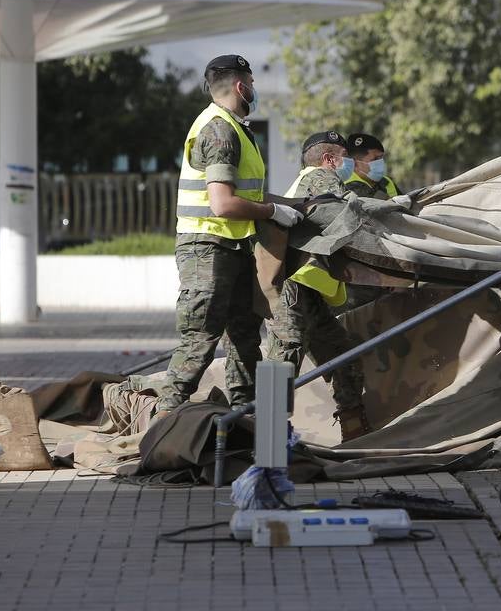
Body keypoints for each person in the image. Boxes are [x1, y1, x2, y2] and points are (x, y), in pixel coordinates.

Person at [157, 54, 303, 413]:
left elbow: (247, 195)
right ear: (241, 86)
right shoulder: (220, 130)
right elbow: (223, 204)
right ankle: (159, 426)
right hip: (207, 249)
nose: (253, 91)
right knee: (200, 342)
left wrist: (296, 205)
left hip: (232, 247)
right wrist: (272, 212)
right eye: (252, 85)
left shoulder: (235, 128)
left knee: (244, 338)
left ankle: (248, 420)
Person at [266, 131, 372, 441]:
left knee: (343, 357)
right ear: (329, 160)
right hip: (292, 289)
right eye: (345, 157)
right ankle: (269, 445)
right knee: (283, 360)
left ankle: (356, 434)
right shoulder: (322, 179)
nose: (350, 164)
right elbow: (345, 214)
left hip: (306, 290)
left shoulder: (305, 182)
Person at [343, 132, 400, 200]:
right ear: (355, 164)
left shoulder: (386, 182)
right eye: (375, 159)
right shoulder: (347, 186)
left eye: (381, 157)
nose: (380, 162)